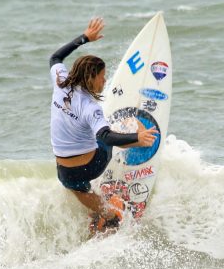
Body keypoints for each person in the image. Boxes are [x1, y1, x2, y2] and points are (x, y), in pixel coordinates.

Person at [49, 17, 158, 232]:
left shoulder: (60, 80)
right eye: (102, 76)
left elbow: (55, 57)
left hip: (64, 172)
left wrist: (84, 38)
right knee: (105, 135)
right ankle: (111, 218)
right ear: (90, 79)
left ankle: (104, 215)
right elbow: (107, 137)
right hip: (91, 166)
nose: (105, 80)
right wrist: (137, 138)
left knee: (79, 189)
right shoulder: (90, 107)